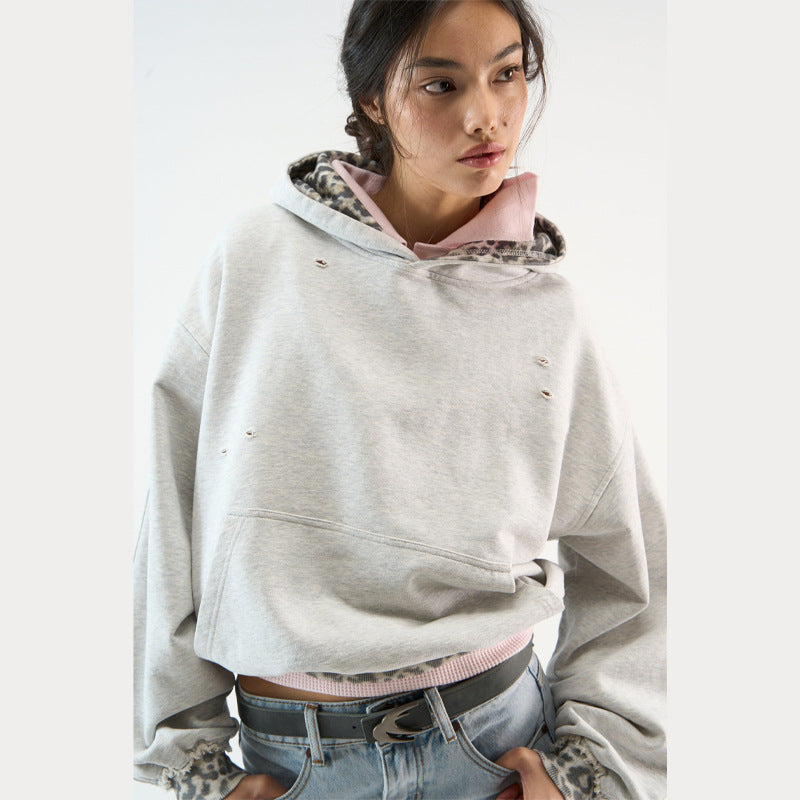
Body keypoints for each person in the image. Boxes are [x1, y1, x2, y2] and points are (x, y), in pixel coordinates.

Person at [133, 1, 666, 798]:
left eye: (508, 74)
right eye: (441, 84)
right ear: (372, 100)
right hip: (293, 764)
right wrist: (192, 768)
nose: (487, 115)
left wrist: (590, 771)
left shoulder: (545, 310)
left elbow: (632, 561)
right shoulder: (258, 261)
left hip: (496, 749)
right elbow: (172, 515)